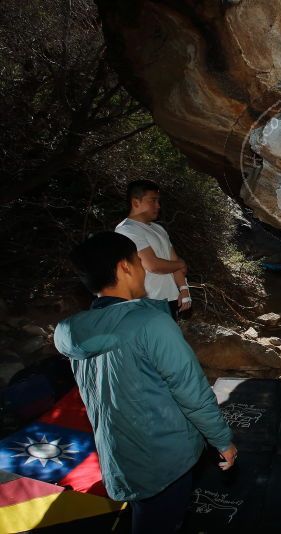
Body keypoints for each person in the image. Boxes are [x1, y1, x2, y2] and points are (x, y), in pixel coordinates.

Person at [54, 232, 237, 534]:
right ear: (124, 267)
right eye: (138, 262)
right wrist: (222, 440)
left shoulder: (73, 331)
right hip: (165, 456)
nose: (143, 270)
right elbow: (191, 390)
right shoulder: (152, 324)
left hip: (120, 454)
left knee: (148, 517)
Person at [115, 180, 191, 321]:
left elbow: (173, 261)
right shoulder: (126, 229)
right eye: (153, 200)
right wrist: (181, 264)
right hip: (149, 301)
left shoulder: (158, 229)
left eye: (158, 201)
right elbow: (153, 265)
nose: (158, 206)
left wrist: (184, 289)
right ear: (136, 202)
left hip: (171, 298)